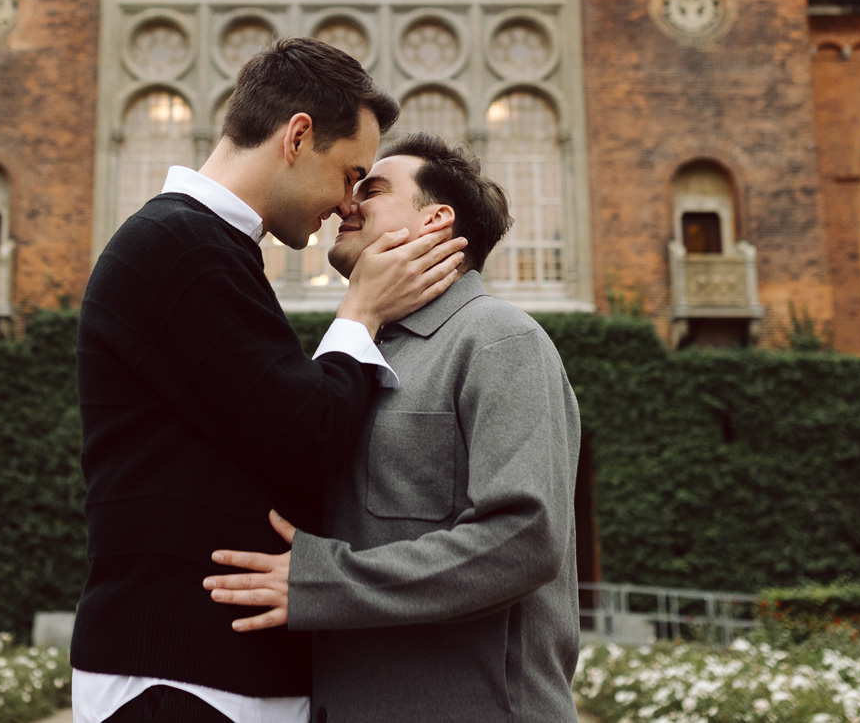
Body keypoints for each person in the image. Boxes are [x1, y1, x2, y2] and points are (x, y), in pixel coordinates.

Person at [72, 40, 470, 723]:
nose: (348, 204)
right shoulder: (179, 246)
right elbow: (303, 437)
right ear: (297, 136)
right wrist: (363, 310)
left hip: (214, 674)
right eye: (351, 174)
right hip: (179, 679)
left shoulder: (206, 247)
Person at [205, 132, 582, 722]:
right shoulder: (357, 353)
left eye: (372, 189)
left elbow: (524, 539)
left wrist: (324, 583)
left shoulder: (501, 341)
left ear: (435, 220)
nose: (346, 202)